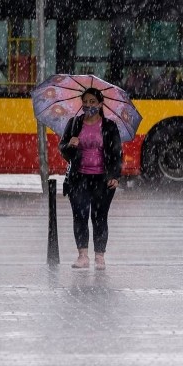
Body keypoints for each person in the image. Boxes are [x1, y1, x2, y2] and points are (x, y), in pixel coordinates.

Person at [58, 87, 122, 270]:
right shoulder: (74, 124)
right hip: (79, 179)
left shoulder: (109, 126)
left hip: (103, 180)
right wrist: (70, 144)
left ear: (100, 104)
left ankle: (100, 257)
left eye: (93, 102)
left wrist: (115, 176)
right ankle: (82, 256)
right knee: (80, 216)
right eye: (85, 102)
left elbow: (117, 153)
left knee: (99, 217)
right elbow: (63, 149)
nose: (88, 105)